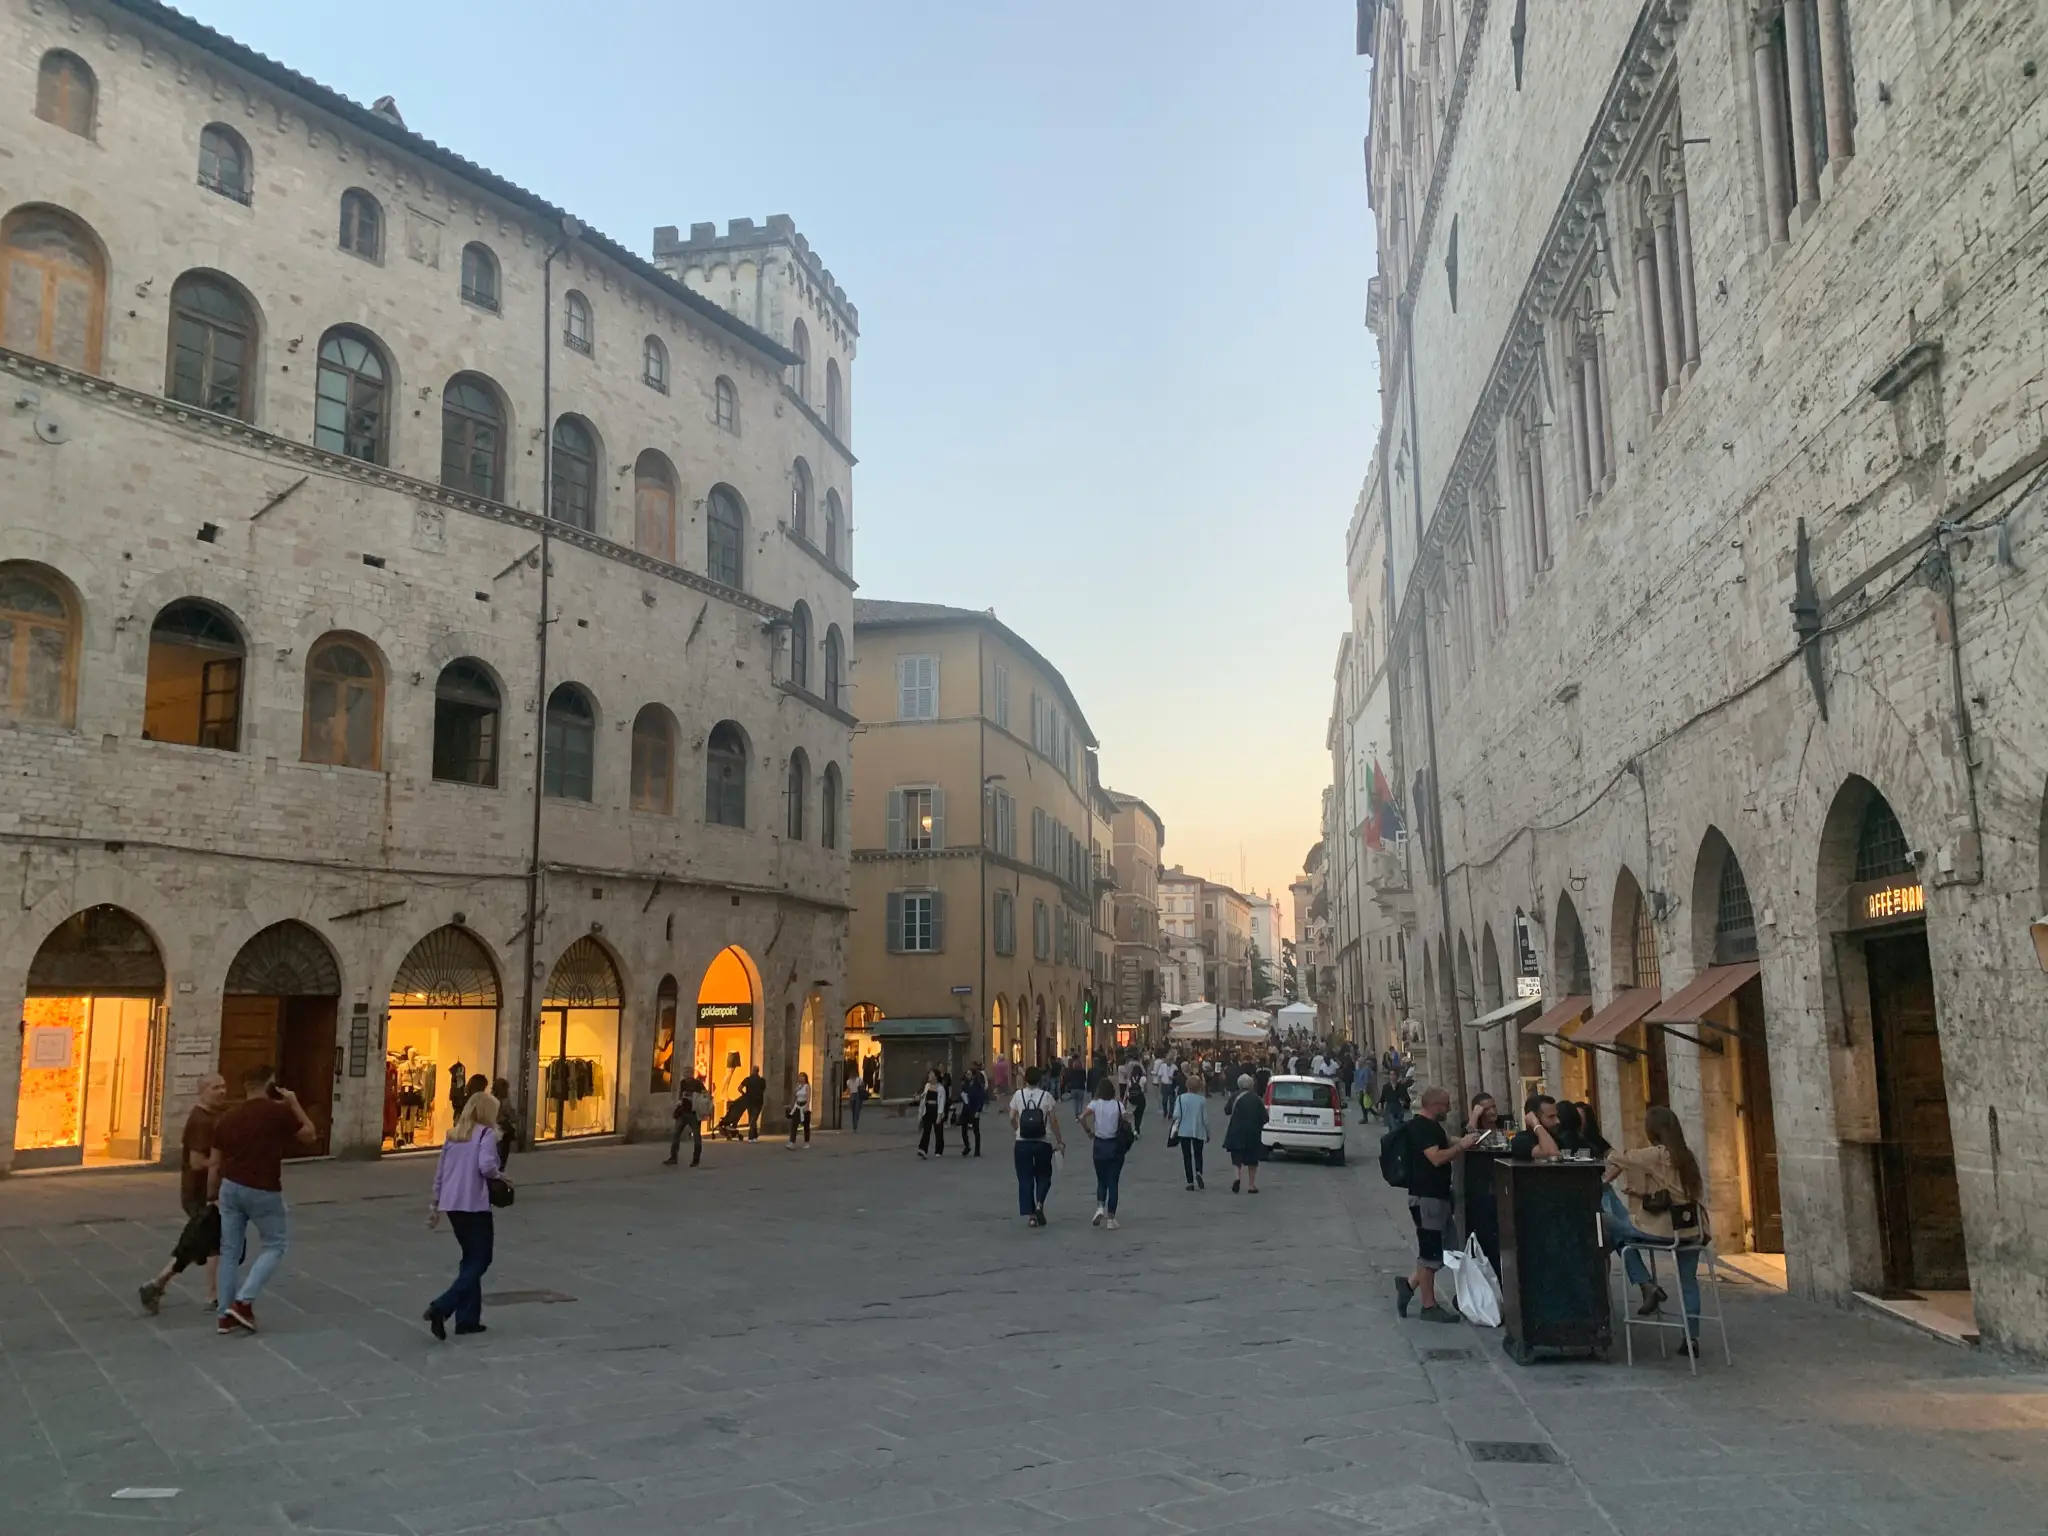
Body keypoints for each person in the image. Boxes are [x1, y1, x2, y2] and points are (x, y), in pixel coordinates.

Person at [208, 1065, 318, 1335]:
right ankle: (243, 1302)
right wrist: (294, 1103)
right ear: (270, 1083)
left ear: (244, 1086)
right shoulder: (277, 1112)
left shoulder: (227, 1118)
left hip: (230, 1187)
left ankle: (224, 1316)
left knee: (230, 1251)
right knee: (275, 1245)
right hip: (263, 1187)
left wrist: (211, 1195)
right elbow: (309, 1134)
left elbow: (215, 1162)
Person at [1604, 1106, 1708, 1355]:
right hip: (1693, 1230)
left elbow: (1618, 1157)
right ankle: (1691, 1339)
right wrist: (1642, 1193)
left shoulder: (1657, 1153)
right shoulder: (1686, 1155)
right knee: (1688, 1282)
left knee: (1611, 1226)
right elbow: (1676, 1193)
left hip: (1665, 1231)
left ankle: (1645, 1282)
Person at [139, 1072, 229, 1315]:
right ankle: (160, 1284)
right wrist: (223, 1163)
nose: (222, 1091)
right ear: (202, 1090)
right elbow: (197, 1162)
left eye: (223, 1087)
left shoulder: (214, 1115)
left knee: (209, 1244)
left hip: (211, 1192)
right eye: (215, 1087)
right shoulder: (200, 1120)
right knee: (200, 1244)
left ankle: (207, 1294)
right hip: (200, 1193)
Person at [423, 1086, 504, 1339]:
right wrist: (501, 1176)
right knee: (481, 1259)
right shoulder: (485, 1135)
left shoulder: (453, 1135)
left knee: (470, 1257)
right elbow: (487, 1166)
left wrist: (435, 1203)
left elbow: (441, 1171)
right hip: (474, 1203)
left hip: (452, 1203)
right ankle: (443, 1306)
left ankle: (468, 1319)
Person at [1395, 1086, 1480, 1324]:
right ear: (1434, 1105)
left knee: (1447, 1249)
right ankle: (1428, 1305)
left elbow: (1451, 1141)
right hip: (1426, 1198)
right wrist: (1461, 1147)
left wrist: (1468, 1136)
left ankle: (1409, 1284)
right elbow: (1436, 1158)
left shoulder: (1433, 1128)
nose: (1450, 1108)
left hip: (1437, 1197)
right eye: (1446, 1104)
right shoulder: (1422, 1128)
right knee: (1431, 1252)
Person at [1010, 1065, 1065, 1227]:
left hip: (1022, 1142)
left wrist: (1017, 1129)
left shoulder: (1018, 1095)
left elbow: (1011, 1117)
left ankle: (1032, 1216)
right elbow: (1053, 1121)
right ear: (1040, 1080)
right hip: (1043, 1141)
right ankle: (1040, 1202)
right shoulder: (1047, 1097)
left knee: (1025, 1178)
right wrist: (1059, 1140)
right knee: (1044, 1176)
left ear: (1025, 1079)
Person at [1081, 1078, 1128, 1229]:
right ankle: (1111, 1219)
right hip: (1114, 1145)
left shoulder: (1095, 1104)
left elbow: (1082, 1117)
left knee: (1101, 1179)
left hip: (1099, 1144)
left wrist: (1088, 1131)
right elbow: (1126, 1120)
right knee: (1113, 1181)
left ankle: (1100, 1207)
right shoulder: (1118, 1105)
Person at [1222, 1073, 1268, 1193]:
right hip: (1252, 1132)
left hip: (1236, 1131)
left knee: (1236, 1157)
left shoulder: (1234, 1096)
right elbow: (1265, 1118)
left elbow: (1227, 1111)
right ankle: (1251, 1185)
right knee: (1252, 1160)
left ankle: (1237, 1178)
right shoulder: (1256, 1099)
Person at [1172, 1071, 1210, 1190]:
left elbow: (1176, 1115)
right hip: (1198, 1130)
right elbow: (1205, 1119)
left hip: (1184, 1130)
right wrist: (1208, 1132)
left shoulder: (1180, 1098)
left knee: (1186, 1155)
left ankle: (1190, 1182)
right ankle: (1198, 1171)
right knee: (1198, 1154)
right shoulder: (1201, 1100)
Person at [666, 1068, 706, 1166]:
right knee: (676, 1134)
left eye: (686, 1073)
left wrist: (694, 1098)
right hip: (683, 1112)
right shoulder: (683, 1083)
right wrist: (679, 1101)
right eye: (684, 1073)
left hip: (693, 1113)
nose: (685, 1074)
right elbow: (680, 1095)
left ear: (691, 1074)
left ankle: (695, 1159)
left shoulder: (697, 1083)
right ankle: (674, 1157)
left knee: (696, 1136)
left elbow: (705, 1095)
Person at [1509, 1094, 1563, 1160]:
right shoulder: (1521, 1140)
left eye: (1556, 1116)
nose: (1557, 1121)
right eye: (1551, 1116)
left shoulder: (1557, 1136)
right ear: (1534, 1117)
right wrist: (1536, 1125)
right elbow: (1552, 1153)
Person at [916, 1068, 948, 1159]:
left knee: (938, 1132)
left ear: (935, 1077)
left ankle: (939, 1150)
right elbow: (924, 1096)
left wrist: (939, 1115)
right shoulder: (927, 1086)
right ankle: (922, 1149)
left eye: (931, 1074)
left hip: (936, 1110)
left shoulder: (940, 1088)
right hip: (928, 1110)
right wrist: (921, 1097)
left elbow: (941, 1102)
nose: (929, 1076)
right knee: (926, 1130)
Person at [956, 1065, 987, 1157]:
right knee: (963, 1129)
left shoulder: (977, 1086)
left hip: (974, 1109)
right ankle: (967, 1146)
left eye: (969, 1074)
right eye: (966, 1074)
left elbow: (981, 1098)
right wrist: (961, 1096)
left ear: (973, 1075)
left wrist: (979, 1110)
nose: (967, 1076)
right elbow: (960, 1095)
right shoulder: (965, 1084)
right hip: (966, 1109)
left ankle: (977, 1150)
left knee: (975, 1130)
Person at [490, 1077, 518, 1166]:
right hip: (503, 1130)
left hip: (492, 1129)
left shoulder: (490, 1099)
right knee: (502, 1156)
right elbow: (511, 1115)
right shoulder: (505, 1101)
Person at [786, 1070, 812, 1147]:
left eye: (802, 1076)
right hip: (797, 1106)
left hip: (804, 1105)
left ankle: (806, 1142)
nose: (800, 1078)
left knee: (806, 1125)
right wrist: (797, 1089)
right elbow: (795, 1095)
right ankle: (792, 1142)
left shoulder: (807, 1086)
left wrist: (807, 1106)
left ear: (805, 1078)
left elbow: (808, 1097)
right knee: (794, 1124)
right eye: (799, 1077)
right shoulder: (798, 1086)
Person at [846, 1065, 869, 1132]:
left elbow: (848, 1090)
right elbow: (862, 1086)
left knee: (854, 1112)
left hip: (855, 1095)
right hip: (856, 1096)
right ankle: (855, 1125)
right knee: (856, 1111)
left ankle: (854, 1125)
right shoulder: (857, 1080)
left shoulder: (850, 1081)